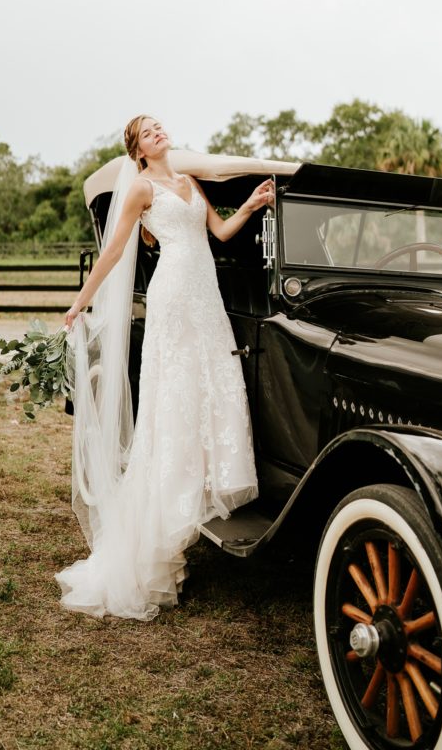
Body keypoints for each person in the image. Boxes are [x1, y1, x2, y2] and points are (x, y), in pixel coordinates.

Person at [54, 115, 273, 620]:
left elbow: (218, 232)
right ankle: (160, 527)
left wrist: (251, 204)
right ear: (138, 151)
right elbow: (113, 253)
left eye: (159, 126)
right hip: (173, 298)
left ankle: (200, 488)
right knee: (173, 398)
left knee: (212, 387)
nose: (158, 132)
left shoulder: (189, 181)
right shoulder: (142, 189)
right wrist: (80, 302)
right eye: (147, 131)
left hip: (206, 299)